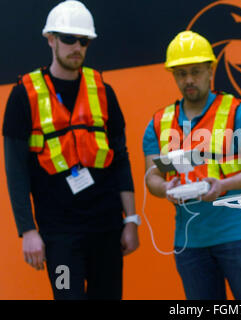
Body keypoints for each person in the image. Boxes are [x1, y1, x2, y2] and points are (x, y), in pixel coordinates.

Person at [2, 0, 140, 300]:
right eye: (68, 38)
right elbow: (15, 170)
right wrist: (27, 231)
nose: (76, 46)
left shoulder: (103, 91)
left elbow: (121, 159)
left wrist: (131, 220)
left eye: (84, 40)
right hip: (59, 235)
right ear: (50, 39)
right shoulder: (23, 96)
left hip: (107, 230)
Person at [143, 30, 241, 300]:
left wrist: (223, 185)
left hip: (240, 235)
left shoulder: (238, 113)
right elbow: (152, 177)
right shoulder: (159, 122)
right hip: (190, 244)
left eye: (196, 71)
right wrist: (166, 188)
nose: (189, 80)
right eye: (181, 73)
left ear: (210, 70)